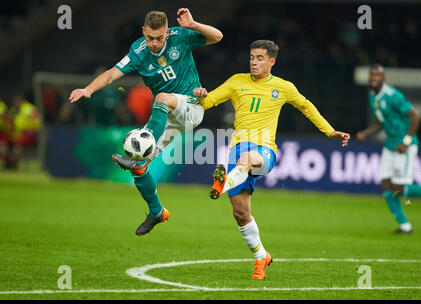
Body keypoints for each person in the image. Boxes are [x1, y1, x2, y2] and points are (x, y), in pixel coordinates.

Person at [193, 40, 350, 279]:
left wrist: (329, 131)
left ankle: (222, 185)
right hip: (237, 149)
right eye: (252, 57)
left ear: (271, 61)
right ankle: (261, 257)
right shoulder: (237, 81)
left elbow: (306, 107)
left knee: (248, 158)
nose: (254, 62)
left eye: (259, 58)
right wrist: (201, 95)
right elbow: (208, 102)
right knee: (241, 214)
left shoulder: (283, 87)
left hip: (264, 150)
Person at [69, 9, 223, 235]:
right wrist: (88, 89)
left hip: (191, 106)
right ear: (144, 32)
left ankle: (146, 138)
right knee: (138, 166)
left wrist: (193, 24)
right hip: (168, 116)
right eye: (150, 38)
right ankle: (157, 211)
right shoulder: (138, 51)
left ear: (167, 32)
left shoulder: (180, 36)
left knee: (161, 98)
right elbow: (112, 73)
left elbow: (217, 36)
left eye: (160, 38)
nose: (154, 43)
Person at [356, 64, 421, 235]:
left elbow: (415, 117)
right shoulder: (372, 97)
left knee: (399, 187)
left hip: (404, 146)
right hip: (390, 145)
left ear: (384, 78)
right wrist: (366, 133)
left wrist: (406, 141)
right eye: (372, 75)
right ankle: (405, 226)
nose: (374, 78)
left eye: (378, 75)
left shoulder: (394, 96)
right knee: (386, 185)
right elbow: (380, 123)